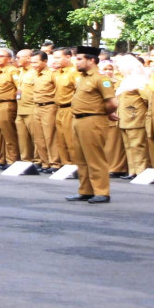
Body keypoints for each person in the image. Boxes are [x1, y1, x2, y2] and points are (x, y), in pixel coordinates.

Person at [66, 46, 117, 203]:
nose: (77, 62)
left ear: (91, 60)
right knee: (81, 158)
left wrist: (104, 112)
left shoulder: (101, 79)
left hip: (93, 120)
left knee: (95, 158)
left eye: (80, 59)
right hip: (79, 120)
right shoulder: (82, 78)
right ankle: (86, 190)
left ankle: (102, 191)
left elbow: (113, 102)